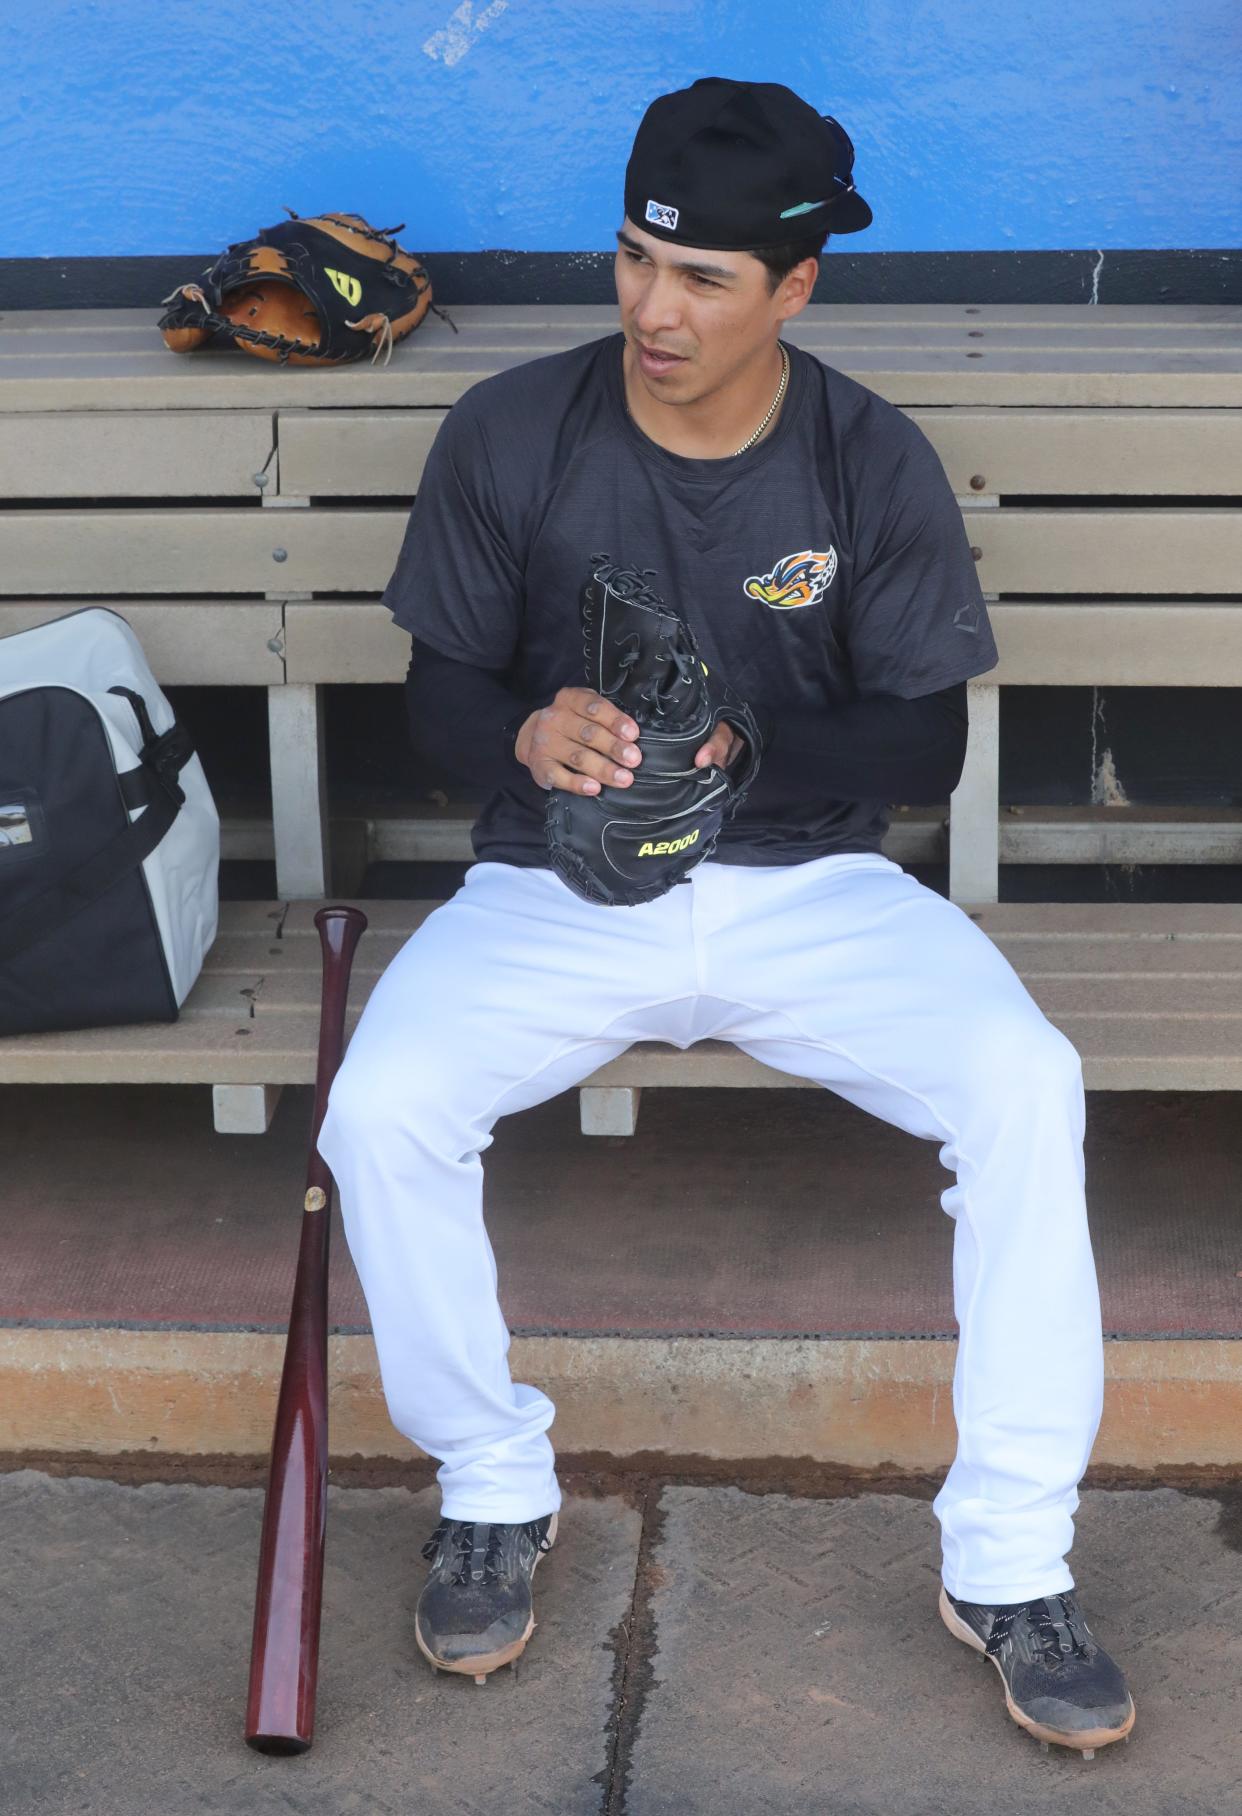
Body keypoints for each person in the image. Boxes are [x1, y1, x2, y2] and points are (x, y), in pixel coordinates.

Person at [316, 77, 1135, 1754]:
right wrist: (526, 734)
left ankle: (1007, 1560)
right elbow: (437, 690)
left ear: (794, 285)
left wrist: (750, 746)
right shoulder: (514, 430)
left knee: (1024, 1087)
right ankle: (489, 1482)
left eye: (701, 281)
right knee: (382, 1108)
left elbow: (928, 739)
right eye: (631, 261)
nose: (651, 309)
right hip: (549, 889)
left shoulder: (859, 451)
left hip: (812, 889)